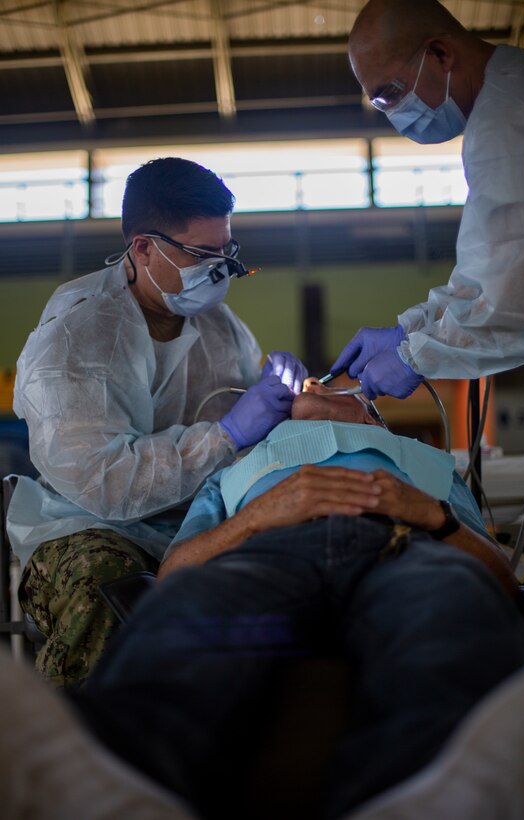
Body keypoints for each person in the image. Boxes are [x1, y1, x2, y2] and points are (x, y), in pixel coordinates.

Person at [55, 380, 524, 820]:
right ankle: (122, 781)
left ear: (372, 418)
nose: (316, 382)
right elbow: (174, 574)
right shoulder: (237, 469)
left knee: (447, 612)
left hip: (405, 549)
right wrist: (256, 518)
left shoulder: (424, 462)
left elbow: (501, 582)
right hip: (264, 557)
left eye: (336, 383)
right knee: (193, 615)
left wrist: (433, 515)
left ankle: (423, 793)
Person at [7, 156, 307, 688]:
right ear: (143, 247)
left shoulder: (218, 324)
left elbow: (244, 420)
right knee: (110, 590)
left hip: (199, 517)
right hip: (89, 525)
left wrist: (288, 405)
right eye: (201, 254)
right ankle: (83, 756)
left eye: (226, 252)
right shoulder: (77, 338)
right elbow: (105, 484)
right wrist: (228, 434)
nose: (219, 270)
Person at [330, 0, 524, 400]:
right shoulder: (513, 89)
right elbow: (488, 278)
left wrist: (415, 357)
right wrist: (411, 329)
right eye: (380, 103)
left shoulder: (506, 125)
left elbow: (517, 296)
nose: (392, 113)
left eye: (391, 93)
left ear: (440, 54)